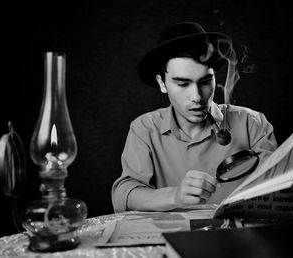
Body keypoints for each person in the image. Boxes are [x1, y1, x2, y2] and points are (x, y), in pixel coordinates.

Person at [111, 22, 278, 212]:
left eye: (205, 82)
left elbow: (279, 187)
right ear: (162, 83)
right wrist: (175, 196)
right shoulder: (144, 129)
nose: (197, 97)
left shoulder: (252, 124)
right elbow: (123, 195)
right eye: (183, 83)